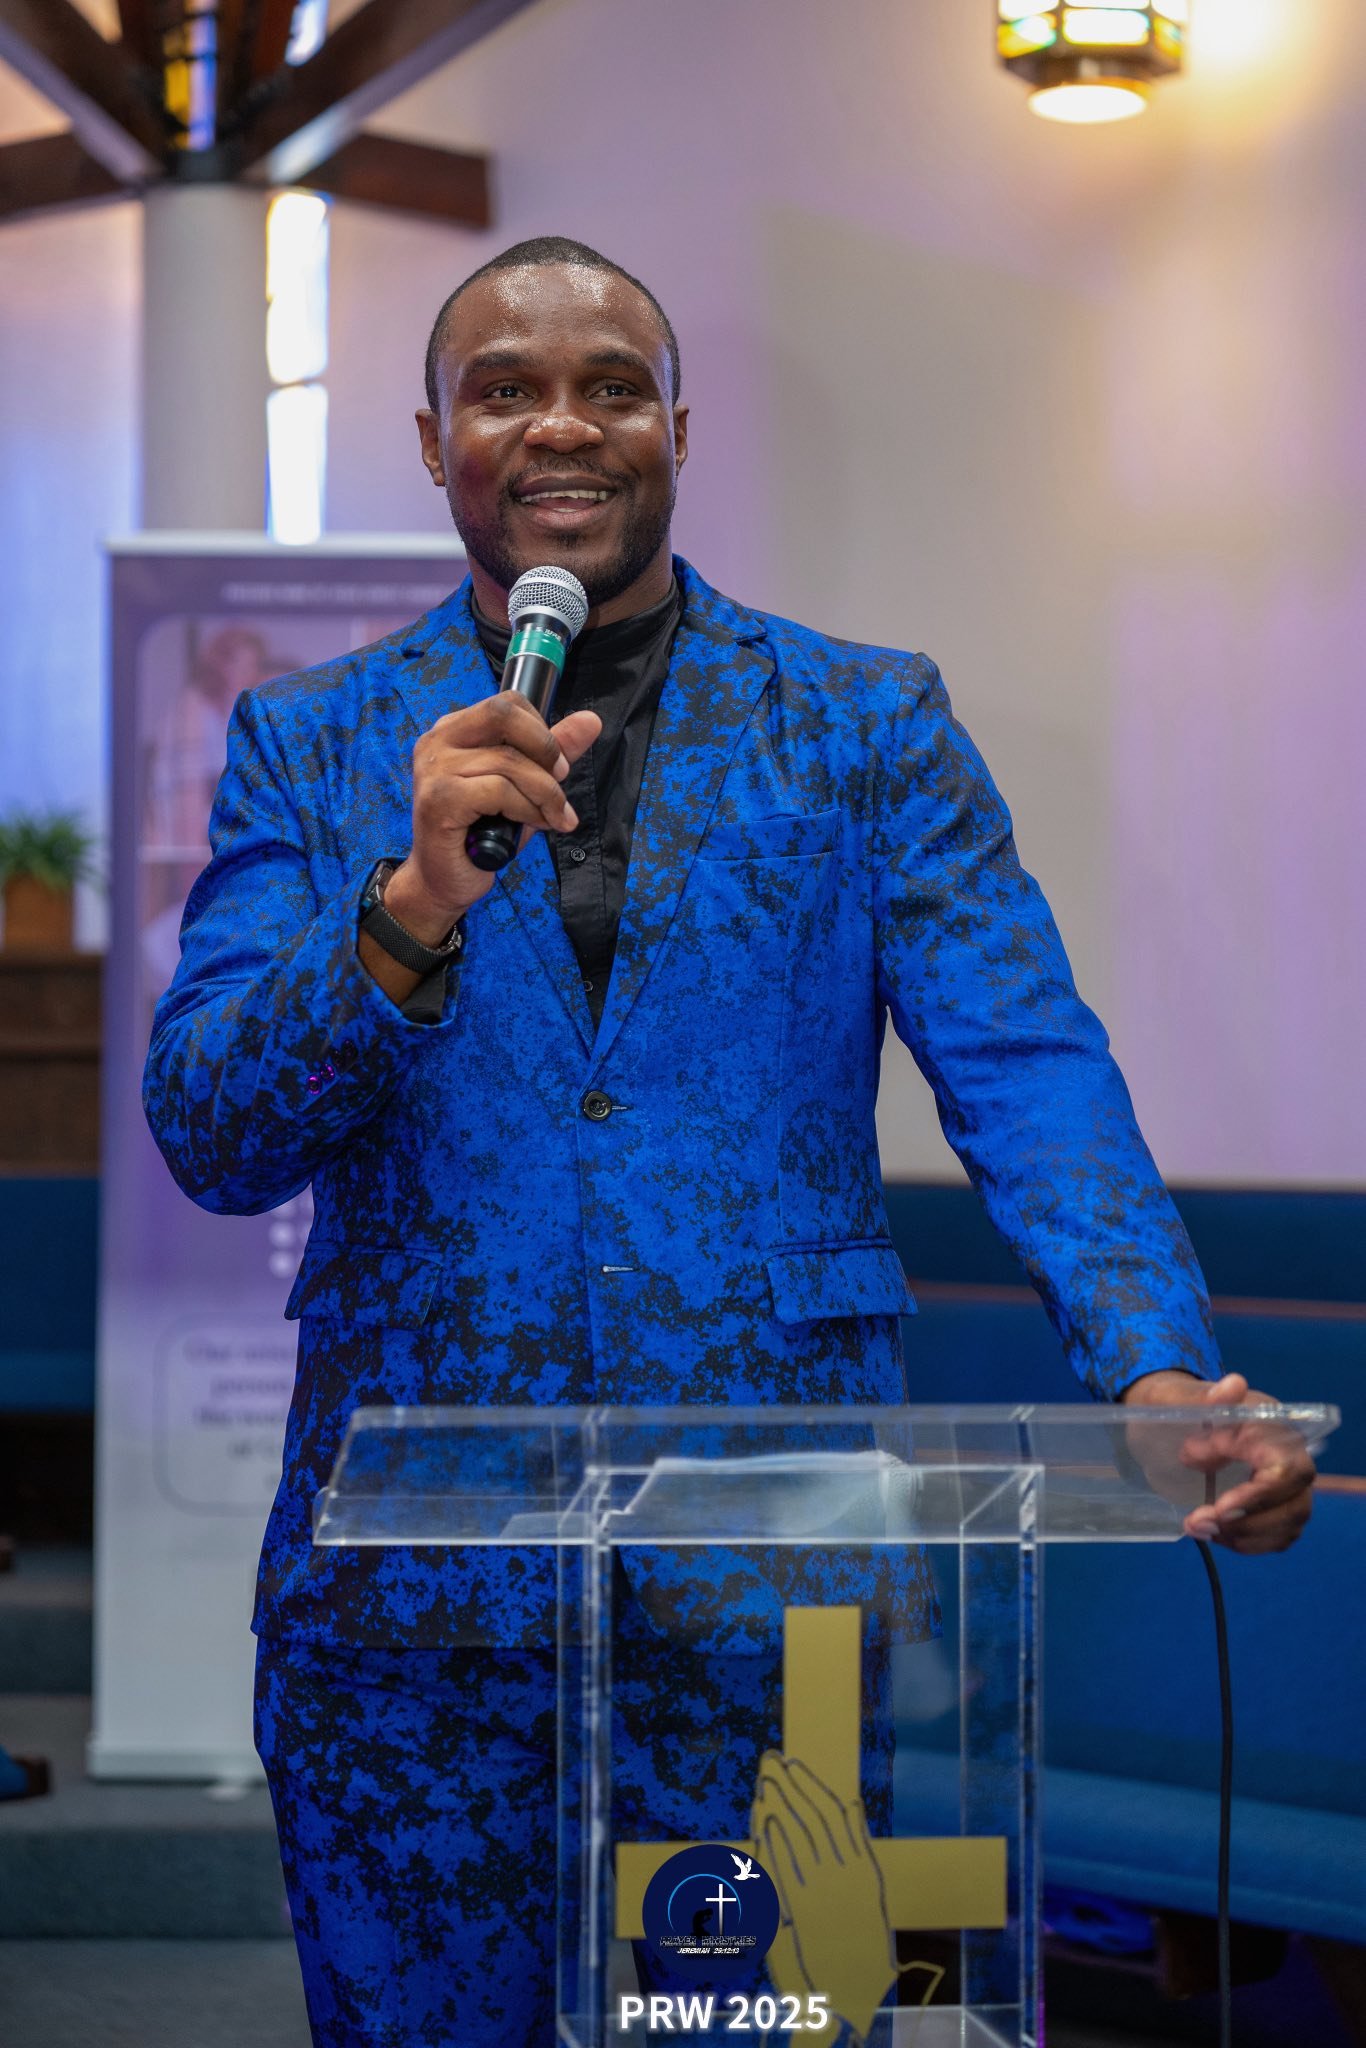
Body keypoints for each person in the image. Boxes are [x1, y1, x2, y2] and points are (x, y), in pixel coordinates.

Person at [143, 237, 1315, 2048]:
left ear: (678, 431)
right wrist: (403, 911)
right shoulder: (314, 744)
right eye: (504, 390)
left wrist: (1152, 1364)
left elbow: (1025, 1067)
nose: (561, 425)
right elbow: (213, 1134)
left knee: (759, 2028)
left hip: (771, 1584)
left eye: (610, 386)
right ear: (434, 442)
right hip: (410, 1596)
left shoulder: (861, 723)